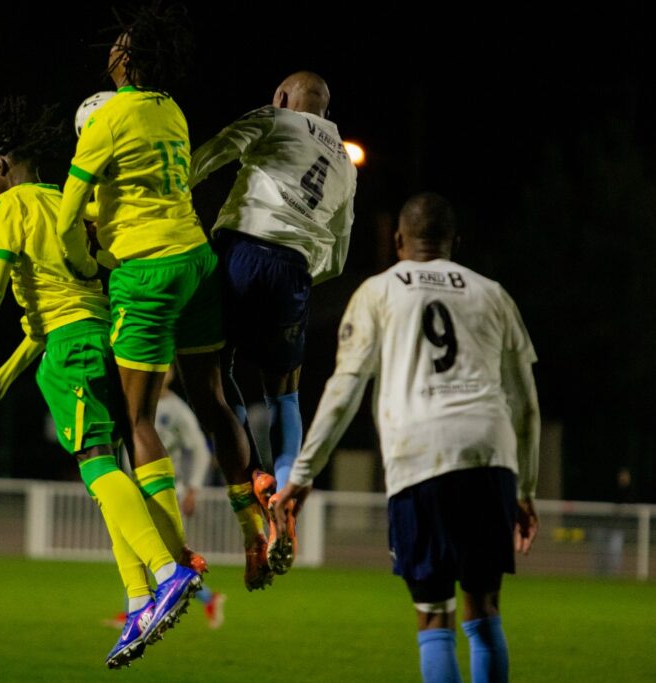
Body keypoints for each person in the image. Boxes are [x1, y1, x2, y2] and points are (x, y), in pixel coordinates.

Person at [0, 95, 200, 669]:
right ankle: (140, 597)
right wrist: (5, 375)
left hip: (73, 350)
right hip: (106, 342)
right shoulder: (73, 204)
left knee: (94, 464)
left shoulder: (9, 206)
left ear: (1, 165)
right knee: (109, 463)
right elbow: (47, 314)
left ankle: (166, 573)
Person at [273, 192, 540, 683]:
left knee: (433, 613)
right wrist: (524, 490)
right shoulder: (492, 293)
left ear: (398, 240)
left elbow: (344, 389)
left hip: (421, 456)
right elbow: (526, 404)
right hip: (490, 454)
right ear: (454, 244)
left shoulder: (378, 292)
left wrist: (305, 473)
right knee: (484, 608)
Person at [56, 3, 272, 592]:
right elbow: (147, 188)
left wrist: (87, 260)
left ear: (126, 60)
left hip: (147, 272)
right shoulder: (170, 110)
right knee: (209, 397)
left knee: (137, 420)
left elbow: (71, 211)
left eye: (117, 46)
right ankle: (253, 527)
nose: (110, 52)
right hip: (197, 260)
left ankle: (176, 561)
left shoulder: (107, 119)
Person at [188, 70, 357, 575]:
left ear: (284, 97)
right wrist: (301, 272)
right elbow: (340, 255)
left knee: (211, 373)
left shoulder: (274, 117)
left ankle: (254, 476)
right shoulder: (347, 164)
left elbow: (216, 150)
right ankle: (284, 487)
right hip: (294, 271)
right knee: (284, 392)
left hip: (241, 249)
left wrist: (176, 187)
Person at [105, 364, 227, 630]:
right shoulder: (133, 401)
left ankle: (141, 611)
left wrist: (194, 488)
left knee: (153, 552)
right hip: (136, 488)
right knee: (146, 550)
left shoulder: (177, 410)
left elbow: (201, 450)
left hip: (165, 492)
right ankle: (203, 599)